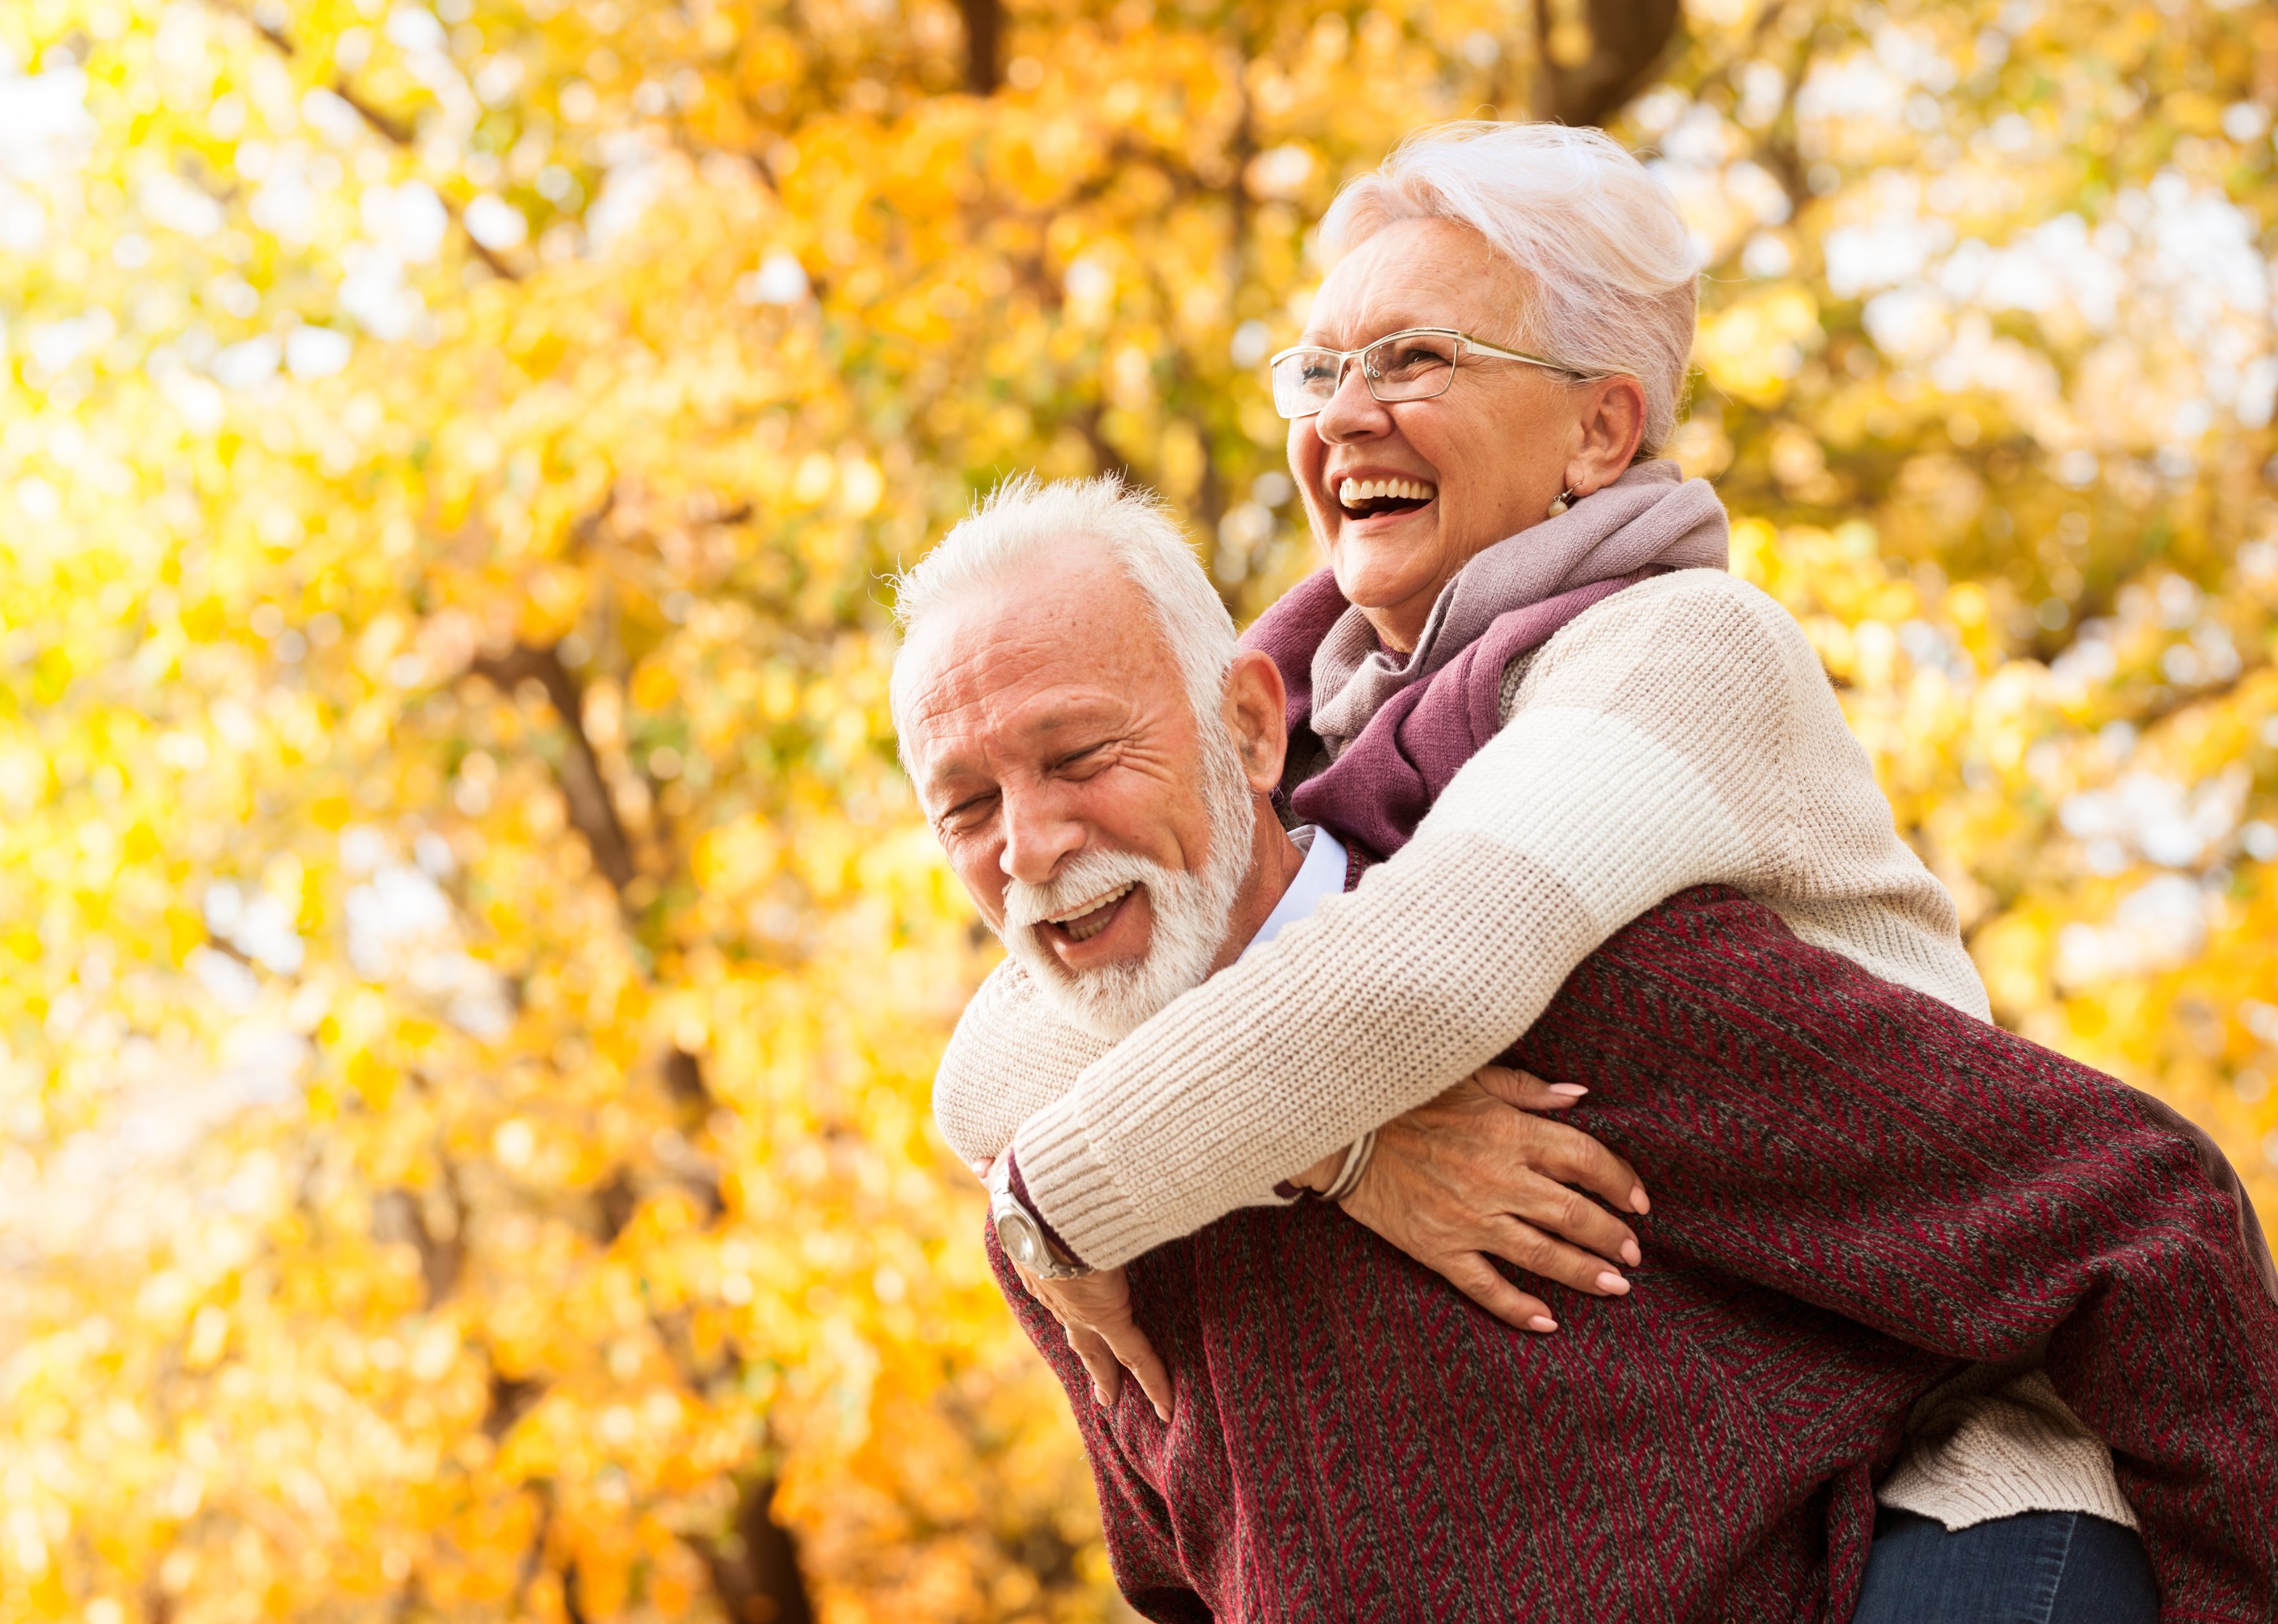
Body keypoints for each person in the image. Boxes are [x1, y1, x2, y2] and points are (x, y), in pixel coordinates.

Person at [904, 121, 2278, 1618]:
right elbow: (1005, 1050)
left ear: (1600, 431)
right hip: (1718, 1460)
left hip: (1933, 1443)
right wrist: (1349, 1152)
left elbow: (1428, 968)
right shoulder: (1315, 732)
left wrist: (1057, 1202)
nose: (1345, 415)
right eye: (1321, 369)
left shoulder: (1678, 649)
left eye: (1417, 359)